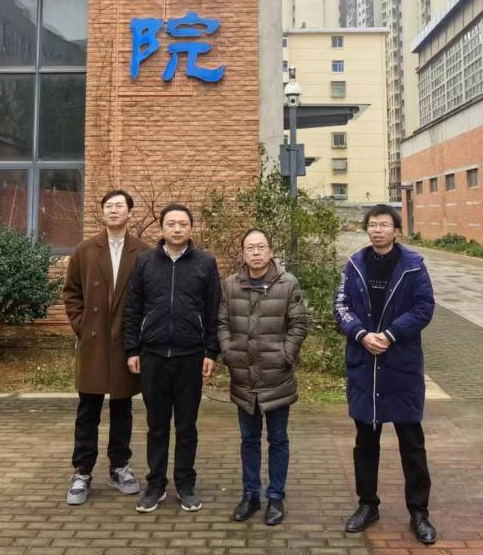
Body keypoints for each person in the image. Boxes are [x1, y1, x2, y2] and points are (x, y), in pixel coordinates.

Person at [334, 203, 437, 546]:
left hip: (400, 366)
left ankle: (419, 512)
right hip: (365, 364)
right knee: (365, 442)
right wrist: (361, 334)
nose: (377, 230)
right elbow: (341, 307)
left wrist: (391, 334)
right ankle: (367, 505)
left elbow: (424, 307)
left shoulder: (413, 266)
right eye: (372, 225)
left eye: (384, 225)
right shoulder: (355, 265)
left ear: (396, 230)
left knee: (412, 442)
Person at [123, 203, 221, 513]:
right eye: (171, 224)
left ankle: (185, 484)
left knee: (187, 426)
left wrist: (211, 351)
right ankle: (155, 485)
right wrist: (132, 349)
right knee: (157, 426)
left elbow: (213, 310)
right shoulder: (145, 262)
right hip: (152, 356)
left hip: (190, 356)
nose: (177, 229)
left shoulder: (206, 263)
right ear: (162, 228)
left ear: (191, 228)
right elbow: (133, 307)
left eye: (183, 224)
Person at [61, 189, 150, 505]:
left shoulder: (143, 252)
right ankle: (82, 471)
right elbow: (71, 292)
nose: (114, 210)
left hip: (126, 342)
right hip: (95, 341)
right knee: (88, 409)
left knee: (122, 409)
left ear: (129, 213)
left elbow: (150, 296)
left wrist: (139, 335)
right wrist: (82, 325)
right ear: (102, 212)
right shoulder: (85, 250)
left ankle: (119, 466)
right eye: (109, 206)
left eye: (119, 206)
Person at [218, 227, 309, 526]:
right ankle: (250, 495)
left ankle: (276, 497)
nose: (255, 252)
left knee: (278, 439)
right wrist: (229, 353)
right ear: (243, 253)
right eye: (250, 247)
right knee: (249, 439)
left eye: (261, 247)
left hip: (276, 376)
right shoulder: (230, 285)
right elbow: (221, 323)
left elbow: (298, 325)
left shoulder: (287, 283)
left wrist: (285, 356)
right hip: (243, 376)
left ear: (271, 251)